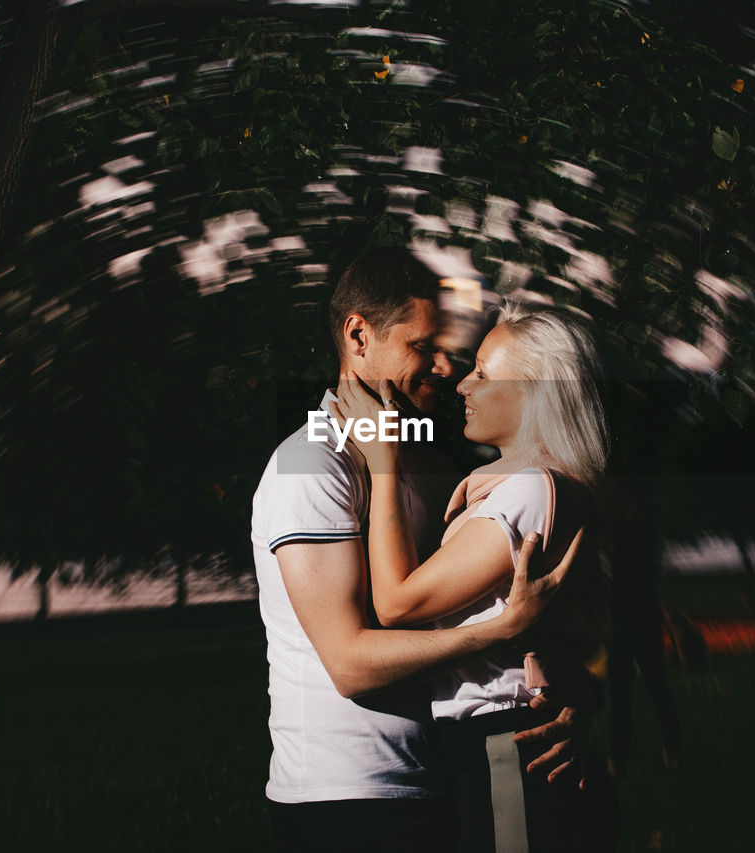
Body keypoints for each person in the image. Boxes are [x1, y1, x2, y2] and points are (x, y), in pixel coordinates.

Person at [250, 250, 585, 853]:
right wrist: (504, 631)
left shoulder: (430, 463)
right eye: (423, 346)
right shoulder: (311, 464)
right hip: (348, 800)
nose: (445, 365)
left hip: (448, 781)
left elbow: (478, 604)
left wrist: (562, 703)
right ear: (358, 335)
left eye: (450, 348)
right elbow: (350, 663)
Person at [332, 303, 614, 853]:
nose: (462, 384)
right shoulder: (535, 484)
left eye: (484, 373)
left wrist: (382, 461)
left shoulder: (533, 491)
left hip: (507, 738)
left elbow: (397, 605)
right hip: (504, 739)